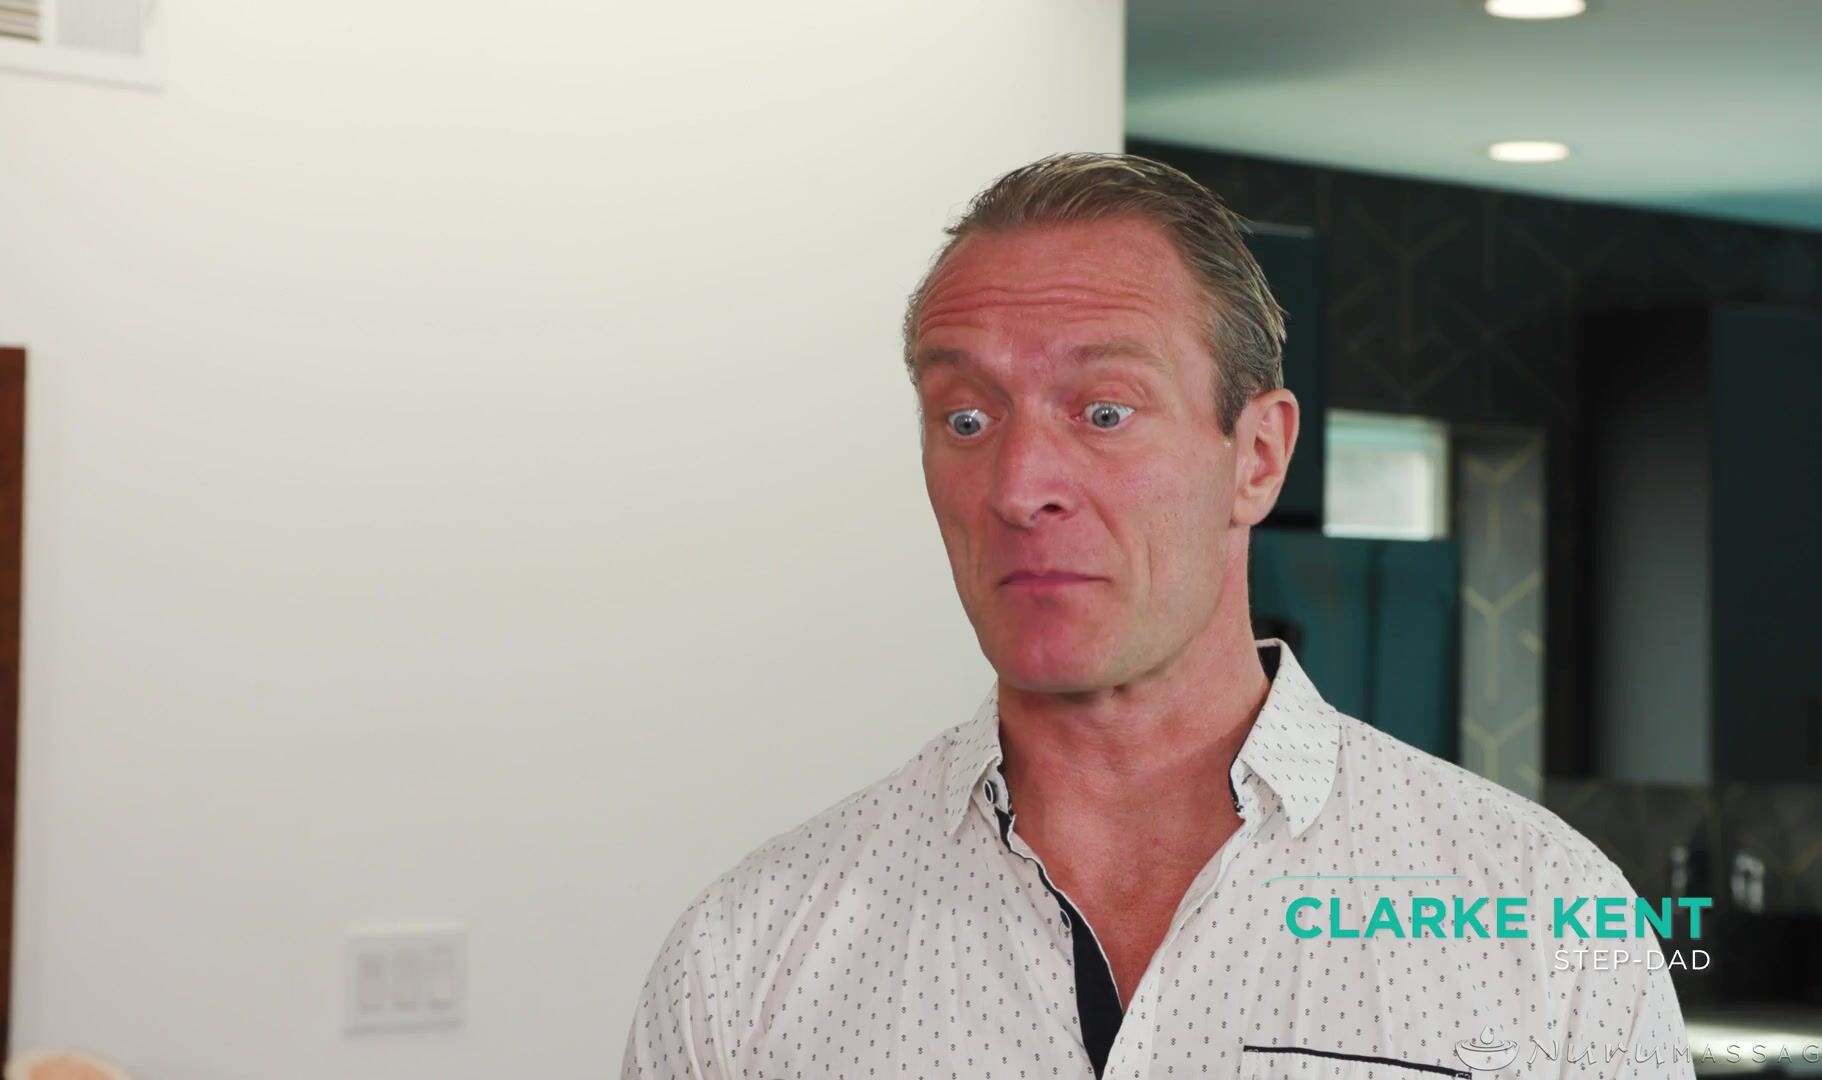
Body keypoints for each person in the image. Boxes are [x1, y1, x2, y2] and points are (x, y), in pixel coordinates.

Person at [622, 153, 1692, 1079]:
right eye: (967, 418)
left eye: (1104, 411)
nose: (1019, 486)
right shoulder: (749, 959)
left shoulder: (1542, 920)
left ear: (1258, 456)